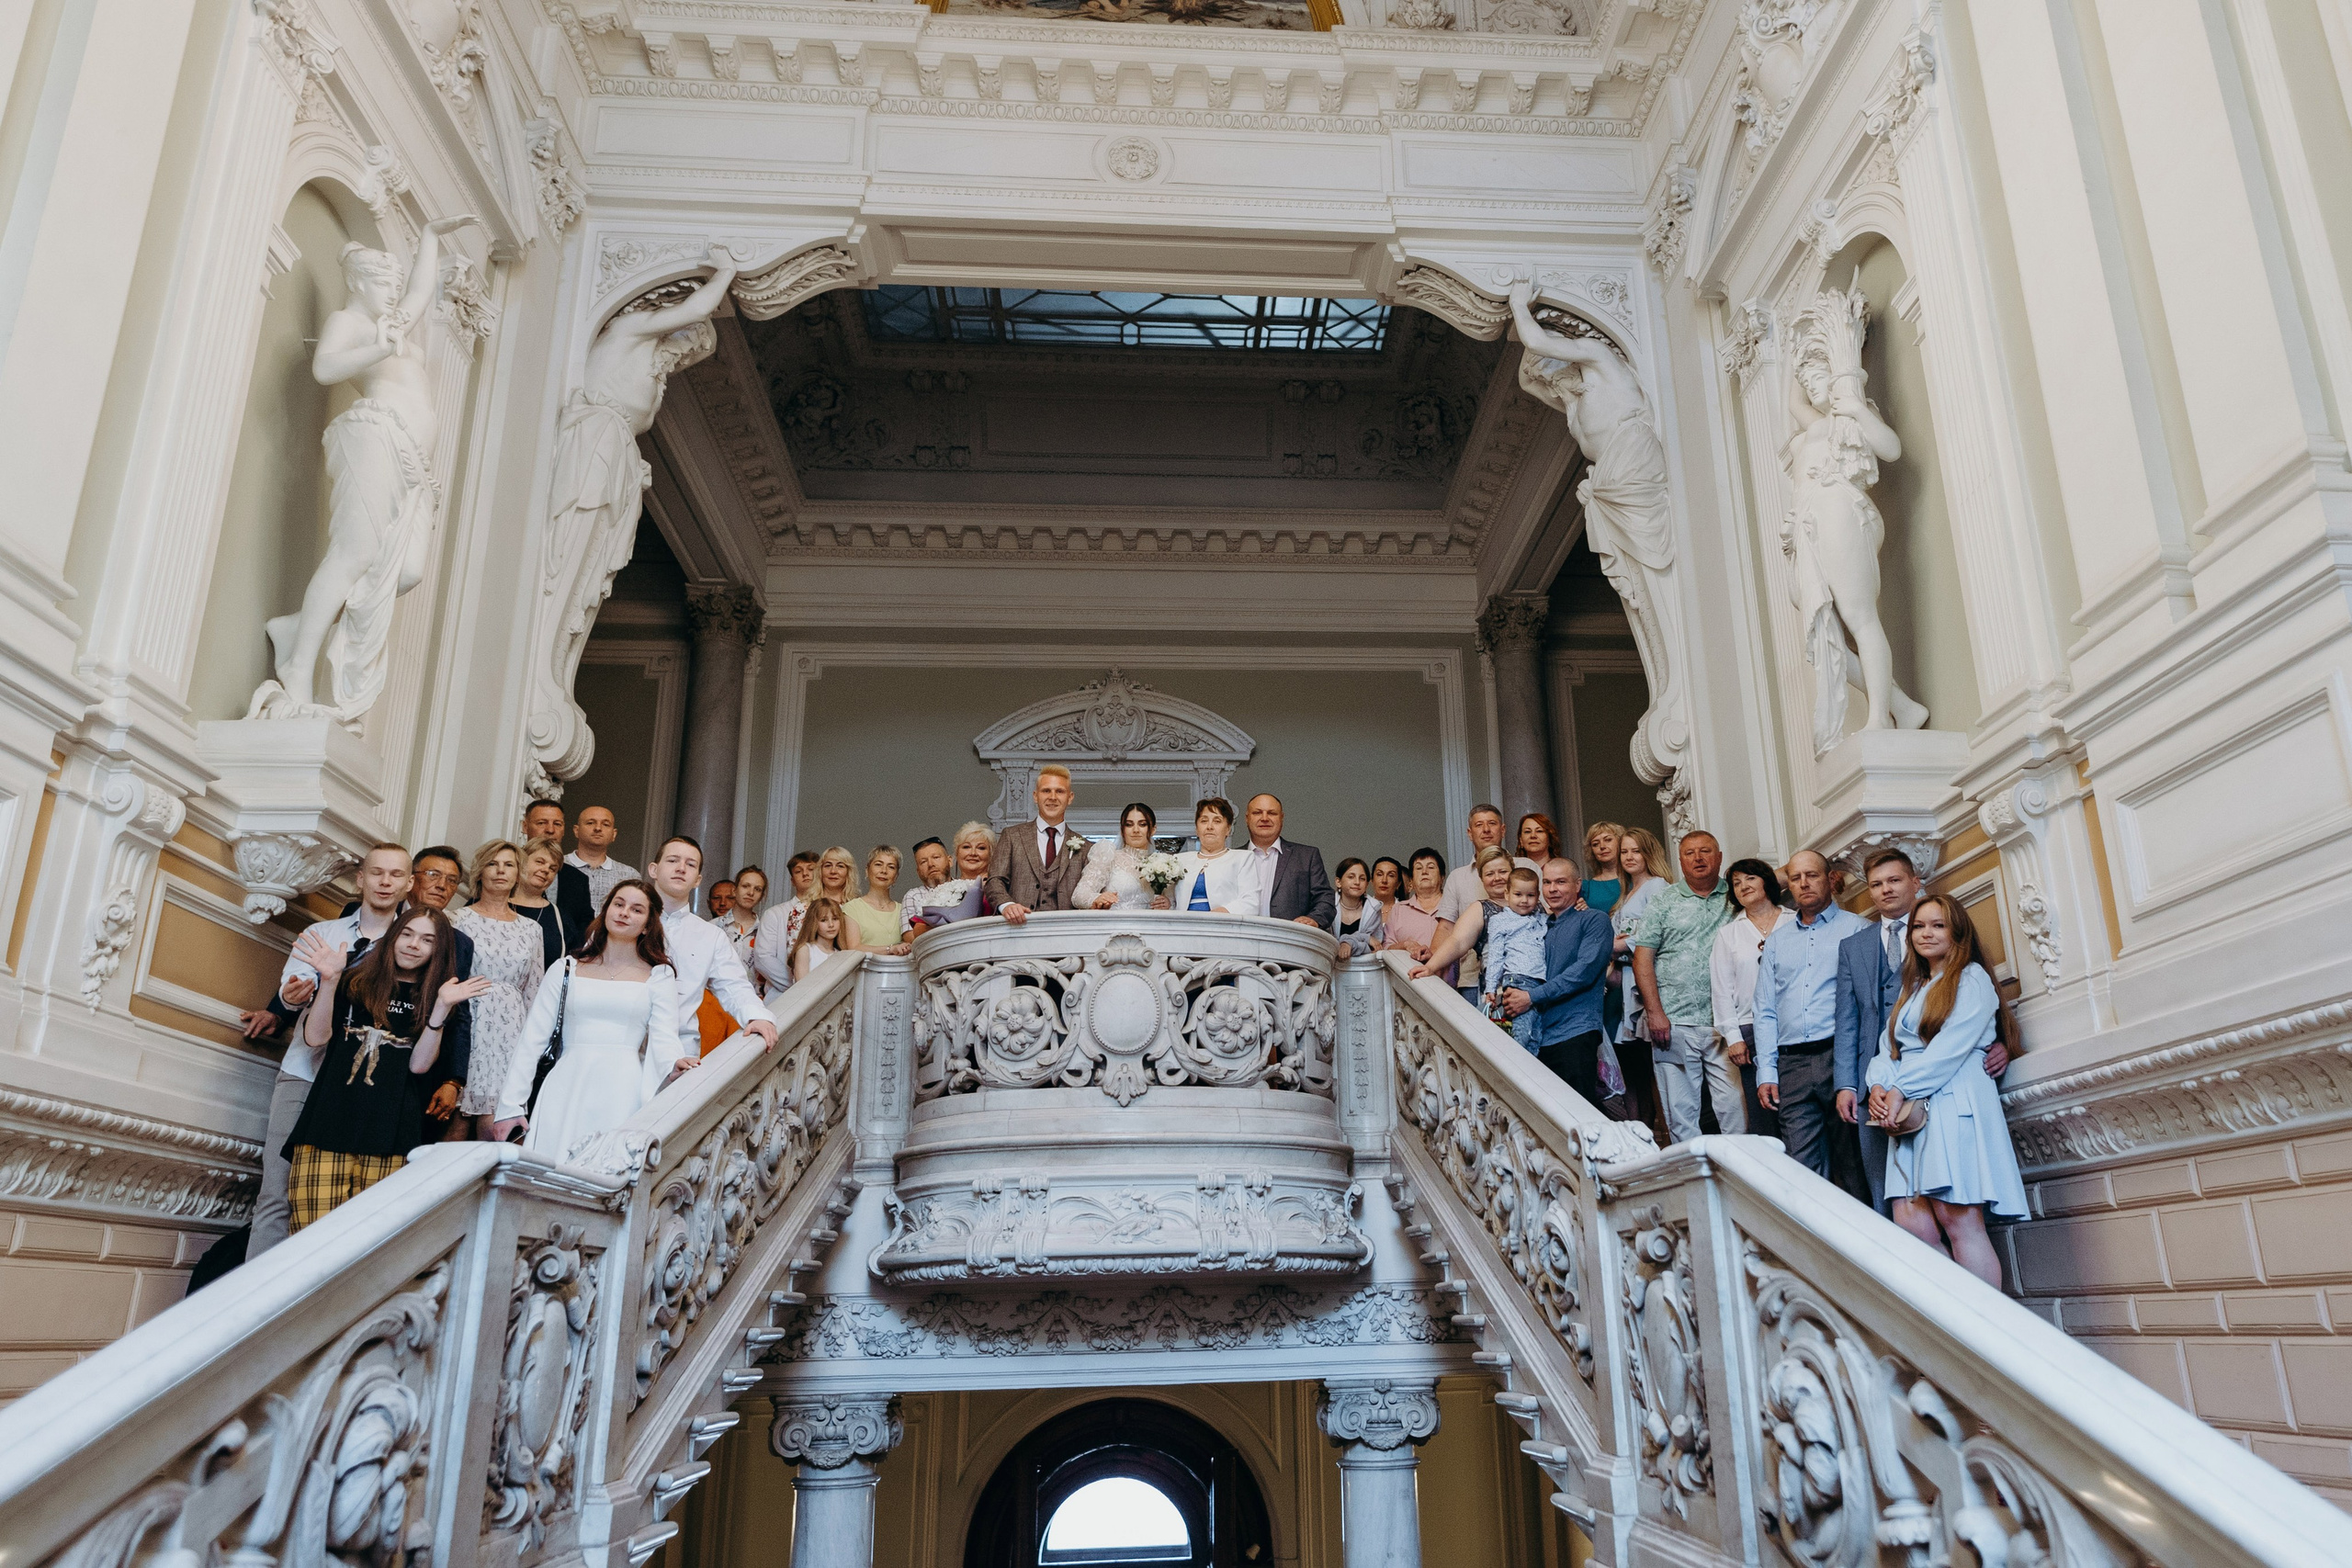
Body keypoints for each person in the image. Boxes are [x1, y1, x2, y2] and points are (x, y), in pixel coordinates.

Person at [249, 844, 413, 1256]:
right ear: (361, 879)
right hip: (306, 1073)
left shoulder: (414, 945)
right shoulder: (322, 934)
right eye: (377, 873)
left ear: (409, 883)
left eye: (396, 875)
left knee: (346, 1202)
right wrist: (290, 997)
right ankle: (254, 1306)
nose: (385, 881)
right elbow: (292, 997)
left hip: (364, 1090)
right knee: (277, 1191)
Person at [282, 908, 488, 1229]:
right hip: (326, 1125)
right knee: (308, 1242)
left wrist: (441, 1010)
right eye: (407, 934)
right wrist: (329, 981)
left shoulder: (440, 997)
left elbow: (420, 1066)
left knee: (367, 1246)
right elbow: (315, 1038)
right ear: (393, 937)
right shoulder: (354, 981)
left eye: (427, 940)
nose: (413, 945)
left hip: (392, 1136)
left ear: (439, 949)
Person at [1865, 894, 2028, 1286]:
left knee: (1959, 1222)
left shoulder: (1971, 978)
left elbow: (1949, 1048)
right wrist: (1879, 1085)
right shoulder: (1915, 985)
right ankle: (1961, 1320)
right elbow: (1890, 1048)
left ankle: (1986, 1330)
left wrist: (1899, 1088)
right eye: (1919, 926)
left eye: (1938, 925)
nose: (1926, 933)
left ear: (1957, 931)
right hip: (1910, 1111)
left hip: (1952, 1099)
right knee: (1913, 1226)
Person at [1834, 847, 2008, 1210]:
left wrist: (2004, 1043)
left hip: (1943, 1087)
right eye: (1876, 884)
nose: (1886, 890)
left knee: (1953, 1212)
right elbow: (1849, 1022)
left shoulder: (1964, 966)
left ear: (1916, 883)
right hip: (1879, 1090)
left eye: (1895, 880)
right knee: (1898, 1206)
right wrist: (1856, 1083)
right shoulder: (1858, 948)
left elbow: (1971, 1023)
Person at [492, 880, 692, 1163]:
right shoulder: (565, 969)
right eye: (618, 904)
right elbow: (531, 1041)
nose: (624, 913)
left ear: (648, 925)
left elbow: (664, 1037)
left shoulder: (659, 976)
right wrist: (510, 1106)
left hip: (622, 1087)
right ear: (606, 910)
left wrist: (674, 1063)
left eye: (636, 910)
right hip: (566, 1082)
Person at [1755, 850, 1870, 1185]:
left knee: (1853, 1163)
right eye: (1795, 878)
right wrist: (1767, 1071)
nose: (1803, 883)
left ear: (1830, 879)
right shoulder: (1776, 942)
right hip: (1792, 1067)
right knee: (1801, 1169)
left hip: (1841, 1058)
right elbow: (1764, 1009)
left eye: (1812, 875)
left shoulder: (1858, 929)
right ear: (1789, 884)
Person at [1632, 829, 1740, 1143]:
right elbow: (1642, 958)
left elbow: (1773, 881)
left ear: (1720, 858)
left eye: (1706, 851)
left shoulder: (1736, 893)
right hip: (1674, 1023)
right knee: (1681, 1116)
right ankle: (1693, 1189)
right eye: (1690, 853)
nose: (1698, 858)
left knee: (1736, 1113)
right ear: (1680, 862)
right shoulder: (1664, 900)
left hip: (1727, 1025)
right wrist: (1654, 1013)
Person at [1495, 860, 1614, 1105]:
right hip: (1538, 1035)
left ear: (1578, 885)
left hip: (1575, 1031)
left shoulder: (1594, 920)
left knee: (1579, 1117)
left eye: (1561, 882)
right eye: (1547, 882)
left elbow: (1583, 972)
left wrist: (1530, 997)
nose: (1552, 889)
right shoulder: (1539, 924)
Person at [644, 837, 776, 1056]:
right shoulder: (622, 919)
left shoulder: (710, 935)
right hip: (622, 1049)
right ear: (654, 869)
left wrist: (757, 1016)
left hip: (679, 1051)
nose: (681, 868)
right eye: (673, 860)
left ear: (697, 880)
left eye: (690, 864)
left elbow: (734, 985)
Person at [452, 841, 548, 1141]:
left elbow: (534, 988)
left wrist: (535, 1043)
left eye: (509, 865)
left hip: (511, 1028)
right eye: (493, 864)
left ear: (518, 874)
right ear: (480, 871)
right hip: (467, 1020)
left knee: (497, 1127)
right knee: (455, 1123)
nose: (501, 871)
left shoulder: (532, 929)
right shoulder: (456, 919)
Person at [1709, 858, 1789, 1139]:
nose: (1743, 886)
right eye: (1736, 883)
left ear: (1766, 880)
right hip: (1750, 1029)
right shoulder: (1729, 934)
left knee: (1798, 1109)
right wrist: (1733, 1037)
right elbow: (1720, 989)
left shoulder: (1795, 921)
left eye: (1750, 879)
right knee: (1763, 1115)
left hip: (1795, 1026)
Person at [1437, 867, 1549, 1052]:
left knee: (1536, 1035)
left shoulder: (1540, 917)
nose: (1524, 900)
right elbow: (1495, 956)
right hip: (1518, 980)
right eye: (1518, 894)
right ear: (1507, 893)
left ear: (1538, 896)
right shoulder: (1501, 920)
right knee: (1521, 1033)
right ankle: (1517, 1070)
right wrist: (1490, 987)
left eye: (1530, 895)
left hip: (1540, 983)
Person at [986, 765, 1093, 923]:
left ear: (1070, 798)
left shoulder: (1086, 848)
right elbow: (995, 880)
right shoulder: (1012, 836)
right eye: (1046, 791)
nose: (1052, 797)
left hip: (1067, 934)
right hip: (1018, 930)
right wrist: (1006, 904)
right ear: (1035, 796)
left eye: (1060, 791)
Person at [1442, 846, 1518, 1006]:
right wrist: (1429, 968)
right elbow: (1457, 942)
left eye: (1503, 872)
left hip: (1535, 993)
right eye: (1490, 874)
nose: (1497, 878)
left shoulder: (1534, 905)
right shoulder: (1480, 908)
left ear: (1513, 873)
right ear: (1482, 879)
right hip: (1496, 995)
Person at [1244, 795, 1334, 927]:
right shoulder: (1231, 858)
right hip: (1241, 941)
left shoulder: (1307, 856)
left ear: (1281, 818)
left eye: (1272, 813)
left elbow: (1325, 898)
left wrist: (1314, 919)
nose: (1264, 818)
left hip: (1291, 941)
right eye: (1257, 813)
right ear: (1247, 818)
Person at [1076, 804, 1175, 912]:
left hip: (1149, 927)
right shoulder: (1109, 855)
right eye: (1129, 825)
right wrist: (1097, 899)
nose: (1136, 830)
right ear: (1122, 830)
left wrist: (1168, 904)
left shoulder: (1164, 864)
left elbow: (1177, 902)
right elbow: (1079, 895)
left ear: (1153, 829)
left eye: (1142, 824)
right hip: (1114, 926)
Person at [1170, 797, 1261, 915]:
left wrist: (1222, 913)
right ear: (1197, 829)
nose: (1209, 826)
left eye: (1217, 821)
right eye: (1204, 821)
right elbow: (1171, 902)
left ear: (1228, 829)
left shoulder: (1242, 858)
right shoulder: (1179, 860)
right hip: (1185, 928)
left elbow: (1251, 901)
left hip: (1223, 926)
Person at [751, 851, 825, 991]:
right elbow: (763, 958)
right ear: (792, 880)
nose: (805, 874)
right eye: (798, 871)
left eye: (811, 869)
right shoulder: (775, 914)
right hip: (783, 995)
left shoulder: (830, 912)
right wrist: (800, 985)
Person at [522, 799, 594, 943]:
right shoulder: (507, 868)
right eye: (542, 823)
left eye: (557, 824)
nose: (550, 830)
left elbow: (585, 926)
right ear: (525, 826)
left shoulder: (577, 880)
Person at [904, 823, 996, 932]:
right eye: (966, 847)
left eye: (981, 848)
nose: (973, 853)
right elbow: (918, 930)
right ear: (956, 854)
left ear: (991, 854)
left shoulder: (1000, 887)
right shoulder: (945, 890)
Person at [1383, 848, 1450, 974]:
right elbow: (1386, 949)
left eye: (1431, 867)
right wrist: (1406, 945)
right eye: (1418, 868)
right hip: (1410, 983)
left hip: (1451, 986)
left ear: (1442, 877)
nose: (1424, 872)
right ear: (1411, 881)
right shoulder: (1398, 910)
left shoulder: (1454, 907)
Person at [513, 837, 571, 966]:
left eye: (552, 869)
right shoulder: (494, 904)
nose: (546, 870)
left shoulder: (561, 919)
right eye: (540, 862)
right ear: (521, 862)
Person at [565, 805, 638, 911]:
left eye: (605, 824)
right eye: (590, 823)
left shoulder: (629, 875)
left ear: (614, 834)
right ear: (576, 831)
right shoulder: (557, 866)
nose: (598, 828)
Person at [843, 846, 910, 953]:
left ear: (896, 876)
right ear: (867, 870)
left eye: (891, 867)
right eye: (878, 864)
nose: (884, 871)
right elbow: (854, 948)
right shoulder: (852, 907)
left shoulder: (903, 910)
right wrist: (891, 949)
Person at [713, 865, 767, 995]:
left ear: (761, 896)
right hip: (716, 1001)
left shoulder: (766, 931)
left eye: (757, 889)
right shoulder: (713, 927)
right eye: (745, 886)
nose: (751, 893)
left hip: (755, 1002)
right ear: (734, 890)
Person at [1328, 858, 1386, 957]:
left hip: (1361, 969)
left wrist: (1349, 944)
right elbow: (1327, 944)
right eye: (1351, 877)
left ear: (1367, 884)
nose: (1357, 882)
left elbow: (1373, 948)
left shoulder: (1373, 909)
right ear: (1338, 882)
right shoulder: (1327, 905)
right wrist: (1365, 938)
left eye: (1362, 878)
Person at [790, 897, 848, 980]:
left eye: (835, 919)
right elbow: (801, 988)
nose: (831, 924)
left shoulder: (841, 955)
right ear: (813, 923)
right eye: (823, 920)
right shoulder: (805, 950)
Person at [1582, 823, 1625, 915]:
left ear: (1621, 842)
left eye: (1608, 840)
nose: (1602, 846)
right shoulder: (1586, 888)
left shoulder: (1636, 879)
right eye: (1595, 844)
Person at [1370, 858, 1404, 927]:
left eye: (1391, 875)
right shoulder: (1362, 909)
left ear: (1398, 883)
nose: (1384, 880)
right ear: (1372, 880)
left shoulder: (1405, 912)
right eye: (1379, 874)